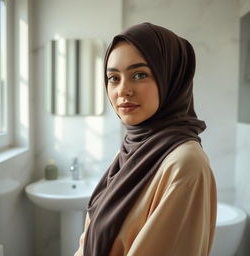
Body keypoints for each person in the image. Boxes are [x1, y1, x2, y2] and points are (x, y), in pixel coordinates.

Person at [74, 22, 217, 256]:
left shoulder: (185, 164)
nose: (123, 90)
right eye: (113, 78)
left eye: (139, 75)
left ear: (171, 79)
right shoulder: (130, 150)